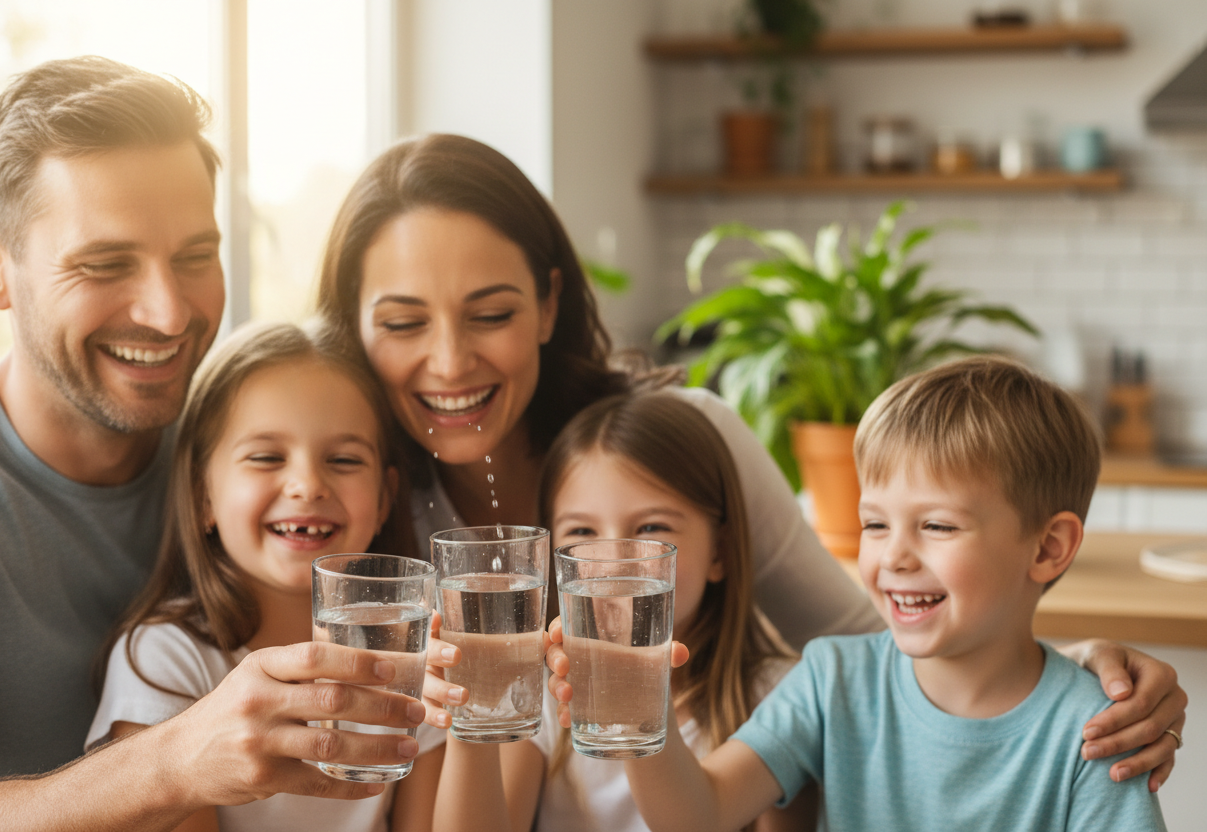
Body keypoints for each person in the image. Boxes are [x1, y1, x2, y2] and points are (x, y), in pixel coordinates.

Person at [313, 132, 1186, 785]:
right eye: (400, 323)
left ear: (547, 303)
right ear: (353, 329)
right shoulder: (353, 485)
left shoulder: (682, 437)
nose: (450, 360)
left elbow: (872, 645)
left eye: (491, 313)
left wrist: (1069, 669)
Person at [0, 57, 430, 829]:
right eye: (105, 264)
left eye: (195, 257)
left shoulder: (246, 448)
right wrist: (174, 761)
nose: (169, 313)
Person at [550, 356, 1168, 831]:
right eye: (875, 523)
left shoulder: (1098, 731)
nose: (893, 556)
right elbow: (699, 813)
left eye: (937, 525)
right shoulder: (832, 681)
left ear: (1047, 548)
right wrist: (637, 710)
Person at [87, 321, 444, 832]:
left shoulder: (414, 656)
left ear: (386, 498)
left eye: (343, 459)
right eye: (266, 457)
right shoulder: (166, 661)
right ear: (202, 496)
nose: (307, 484)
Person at [432, 390, 813, 832]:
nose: (611, 566)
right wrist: (472, 713)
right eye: (581, 533)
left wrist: (639, 701)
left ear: (720, 552)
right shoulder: (546, 694)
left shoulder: (782, 695)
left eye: (651, 528)